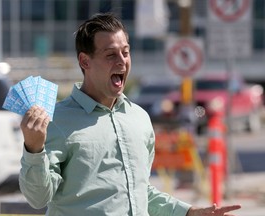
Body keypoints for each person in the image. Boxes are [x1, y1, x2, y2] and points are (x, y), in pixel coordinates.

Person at [19, 12, 241, 216]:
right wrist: (34, 148)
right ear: (85, 61)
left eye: (125, 52)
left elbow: (139, 193)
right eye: (110, 55)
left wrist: (188, 212)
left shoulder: (140, 119)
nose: (121, 61)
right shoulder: (57, 120)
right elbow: (38, 199)